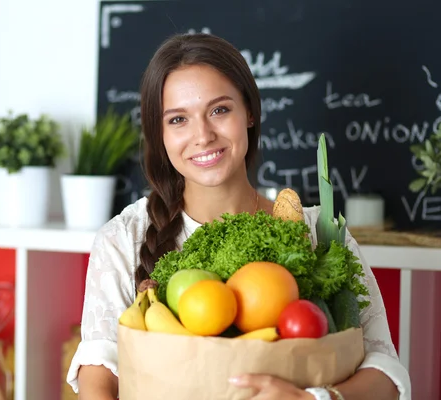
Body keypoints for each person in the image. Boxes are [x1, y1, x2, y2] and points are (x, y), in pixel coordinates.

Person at [66, 33, 411, 400]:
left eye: (219, 110)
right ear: (160, 134)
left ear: (250, 112)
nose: (202, 136)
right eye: (178, 119)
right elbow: (99, 379)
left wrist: (314, 399)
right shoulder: (124, 239)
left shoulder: (318, 233)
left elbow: (385, 373)